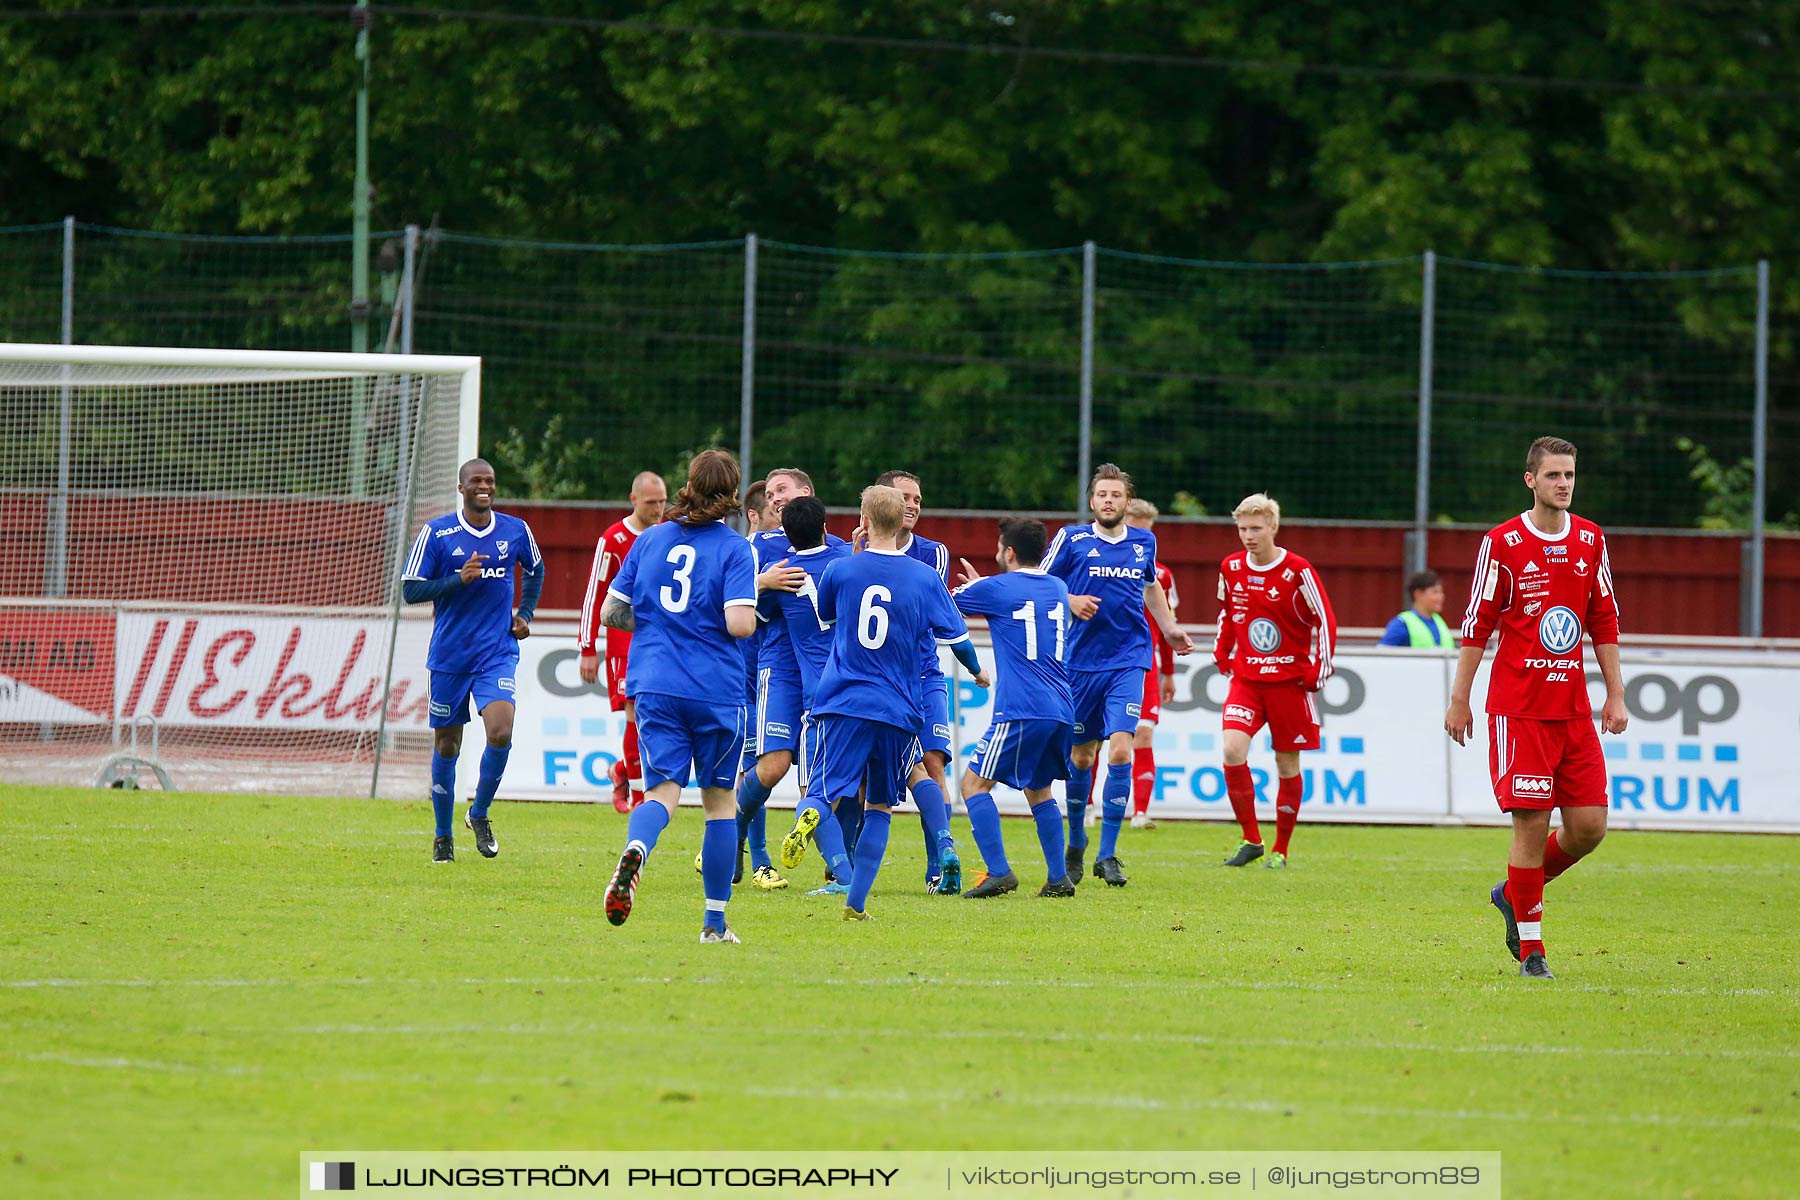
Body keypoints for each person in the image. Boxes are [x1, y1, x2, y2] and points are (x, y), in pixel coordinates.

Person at [1446, 436, 1626, 981]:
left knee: (1590, 828)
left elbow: (1604, 618)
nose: (1564, 483)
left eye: (1570, 474)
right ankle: (1532, 951)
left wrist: (1614, 692)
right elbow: (1477, 624)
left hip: (1572, 710)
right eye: (1553, 475)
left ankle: (1513, 892)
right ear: (1531, 480)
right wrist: (1460, 699)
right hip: (1518, 710)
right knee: (1531, 823)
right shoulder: (1502, 543)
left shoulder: (1591, 539)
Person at [778, 485, 987, 921]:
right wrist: (977, 671)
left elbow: (828, 619)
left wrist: (854, 558)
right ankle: (856, 905)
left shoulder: (841, 569)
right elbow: (959, 639)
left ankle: (809, 817)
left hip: (842, 701)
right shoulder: (924, 577)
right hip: (896, 706)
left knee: (822, 791)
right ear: (902, 521)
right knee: (879, 806)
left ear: (864, 522)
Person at [598, 450, 761, 945]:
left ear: (687, 484)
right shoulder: (735, 549)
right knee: (719, 804)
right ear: (732, 493)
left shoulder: (650, 540)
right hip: (714, 688)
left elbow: (611, 612)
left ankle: (638, 851)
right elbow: (739, 623)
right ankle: (714, 924)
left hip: (654, 683)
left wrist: (661, 624)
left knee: (661, 792)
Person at [1040, 464, 1192, 887]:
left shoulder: (1144, 542)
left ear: (1127, 502)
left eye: (1116, 495)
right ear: (1092, 501)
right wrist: (1069, 599)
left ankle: (1108, 854)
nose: (1108, 500)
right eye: (1102, 494)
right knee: (1081, 757)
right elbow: (1040, 582)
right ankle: (1076, 843)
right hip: (1077, 664)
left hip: (1129, 659)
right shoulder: (1071, 539)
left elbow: (1150, 588)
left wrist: (1169, 628)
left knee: (1122, 750)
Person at [401, 458, 543, 862]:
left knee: (500, 730)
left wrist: (525, 614)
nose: (485, 487)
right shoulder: (437, 533)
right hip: (449, 657)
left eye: (491, 481)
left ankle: (479, 814)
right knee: (448, 743)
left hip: (496, 653)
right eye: (477, 481)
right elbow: (411, 591)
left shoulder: (515, 530)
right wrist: (456, 580)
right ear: (461, 487)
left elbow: (536, 570)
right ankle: (442, 835)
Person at [951, 519, 1078, 898]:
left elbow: (943, 604)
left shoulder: (997, 587)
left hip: (1023, 707)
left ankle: (999, 872)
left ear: (1008, 552)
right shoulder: (1058, 587)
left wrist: (975, 586)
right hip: (1061, 708)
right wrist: (983, 587)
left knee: (973, 785)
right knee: (1040, 790)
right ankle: (1058, 878)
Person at [1213, 493, 1337, 869]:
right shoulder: (1231, 567)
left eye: (1256, 528)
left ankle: (1281, 849)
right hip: (1247, 680)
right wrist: (1222, 650)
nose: (1249, 536)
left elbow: (1325, 620)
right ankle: (1251, 839)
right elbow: (1227, 612)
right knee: (1233, 750)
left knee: (1287, 764)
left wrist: (1320, 667)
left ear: (1273, 528)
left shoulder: (1297, 570)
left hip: (1289, 683)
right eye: (1243, 528)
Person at [733, 496, 847, 889]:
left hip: (814, 682)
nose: (776, 499)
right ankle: (734, 838)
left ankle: (840, 871)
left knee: (812, 785)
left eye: (785, 493)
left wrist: (763, 585)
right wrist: (761, 581)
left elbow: (742, 612)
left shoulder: (790, 568)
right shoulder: (843, 560)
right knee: (780, 770)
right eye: (772, 494)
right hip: (799, 677)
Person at [861, 469, 959, 893]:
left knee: (934, 763)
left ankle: (939, 865)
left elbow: (930, 619)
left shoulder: (933, 554)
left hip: (922, 675)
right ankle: (845, 868)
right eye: (905, 498)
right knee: (866, 776)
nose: (913, 505)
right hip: (874, 681)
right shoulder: (853, 555)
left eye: (918, 498)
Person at [577, 470, 667, 812]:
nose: (659, 508)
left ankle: (622, 770)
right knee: (634, 713)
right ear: (634, 500)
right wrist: (587, 648)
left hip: (661, 643)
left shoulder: (668, 536)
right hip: (624, 642)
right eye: (651, 502)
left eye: (662, 501)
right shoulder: (613, 540)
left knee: (651, 717)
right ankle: (640, 795)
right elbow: (593, 596)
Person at [1124, 498, 1179, 829]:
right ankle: (1086, 808)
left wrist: (1169, 672)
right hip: (1103, 663)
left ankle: (1141, 812)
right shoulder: (1100, 563)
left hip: (1145, 665)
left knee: (1143, 735)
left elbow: (1167, 624)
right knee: (1093, 741)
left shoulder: (1161, 576)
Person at [1378, 569, 1457, 651]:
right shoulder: (1402, 623)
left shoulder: (1439, 622)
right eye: (1435, 592)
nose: (1441, 596)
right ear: (1418, 594)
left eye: (1441, 592)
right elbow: (1382, 654)